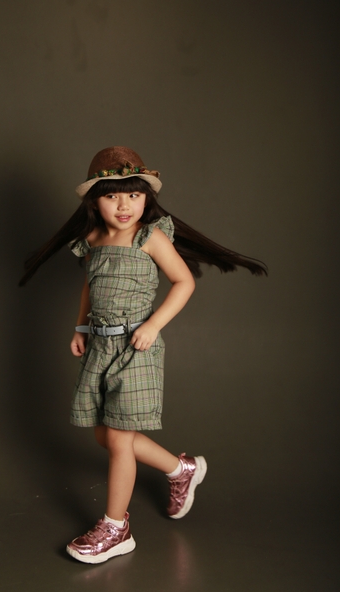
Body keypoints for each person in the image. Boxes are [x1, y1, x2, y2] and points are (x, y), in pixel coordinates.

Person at [19, 146, 267, 564]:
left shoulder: (149, 237)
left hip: (136, 349)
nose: (124, 205)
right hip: (101, 347)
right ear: (94, 201)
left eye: (133, 195)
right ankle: (181, 470)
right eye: (113, 196)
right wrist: (81, 327)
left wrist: (153, 325)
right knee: (105, 435)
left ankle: (116, 528)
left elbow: (184, 282)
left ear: (146, 198)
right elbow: (90, 287)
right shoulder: (92, 240)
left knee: (118, 439)